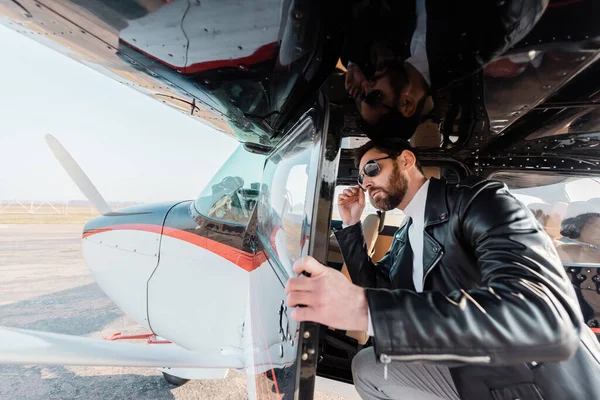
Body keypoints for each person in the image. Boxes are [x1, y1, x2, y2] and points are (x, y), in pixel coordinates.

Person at [285, 139, 600, 399]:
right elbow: (376, 286)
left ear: (406, 159)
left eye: (372, 168)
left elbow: (538, 314)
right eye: (361, 178)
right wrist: (352, 223)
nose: (366, 182)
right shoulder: (405, 234)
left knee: (370, 365)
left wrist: (365, 310)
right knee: (369, 365)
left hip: (528, 376)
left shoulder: (480, 202)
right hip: (463, 361)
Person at [343, 0, 548, 141]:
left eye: (363, 95)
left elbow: (371, 14)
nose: (367, 85)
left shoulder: (405, 50)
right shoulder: (470, 49)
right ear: (407, 104)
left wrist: (353, 63)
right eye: (374, 97)